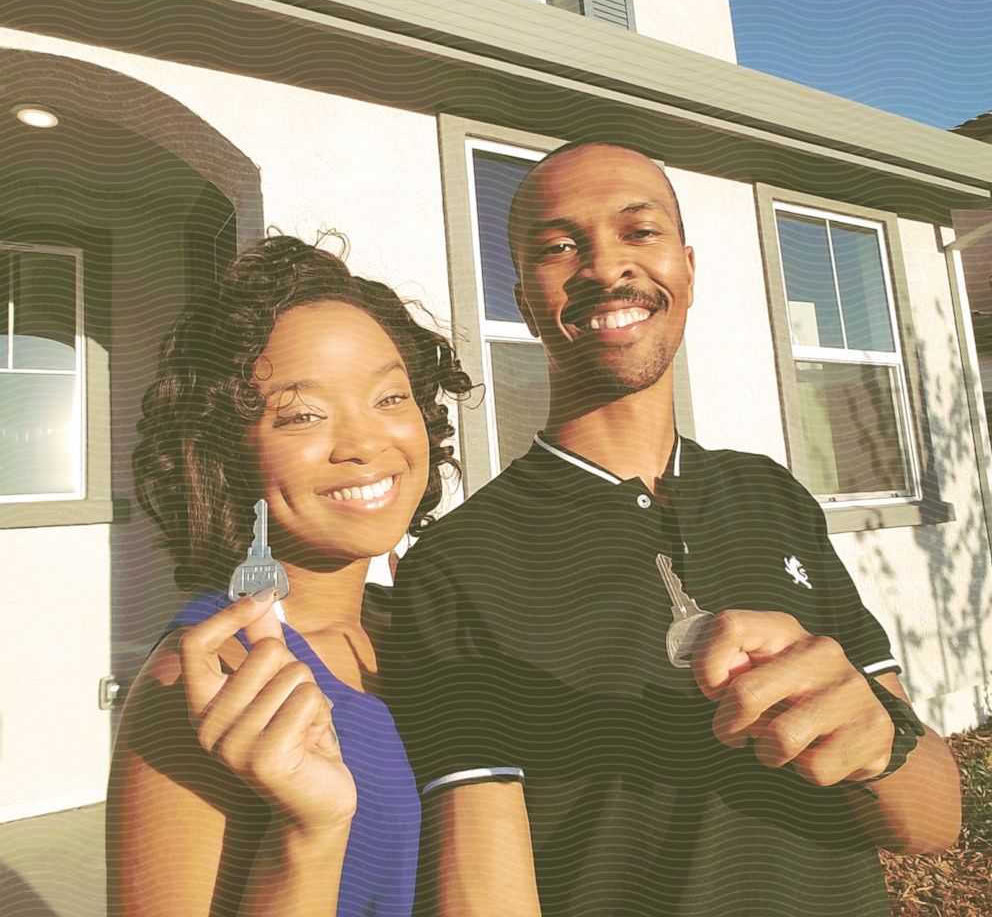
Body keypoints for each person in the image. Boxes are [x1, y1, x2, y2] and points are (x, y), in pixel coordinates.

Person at [384, 143, 962, 917]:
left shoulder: (772, 494)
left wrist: (876, 735)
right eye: (560, 247)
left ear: (687, 269)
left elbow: (933, 823)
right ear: (525, 300)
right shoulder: (457, 566)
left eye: (639, 232)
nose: (603, 267)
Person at [106, 234, 471, 916]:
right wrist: (308, 837)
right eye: (303, 415)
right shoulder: (204, 680)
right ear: (227, 452)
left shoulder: (414, 630)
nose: (364, 444)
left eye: (391, 398)